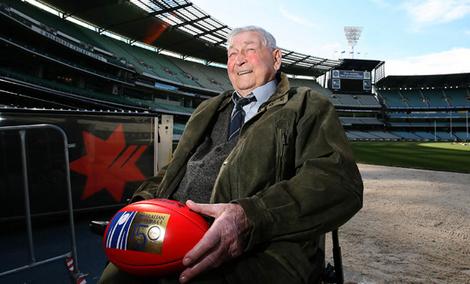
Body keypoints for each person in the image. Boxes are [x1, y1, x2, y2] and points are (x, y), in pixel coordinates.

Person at [99, 25, 363, 284]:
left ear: (276, 58)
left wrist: (249, 216)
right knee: (116, 273)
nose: (239, 60)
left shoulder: (307, 105)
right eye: (232, 53)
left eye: (249, 50)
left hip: (260, 249)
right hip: (172, 232)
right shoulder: (208, 108)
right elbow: (173, 171)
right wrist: (139, 203)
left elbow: (337, 183)